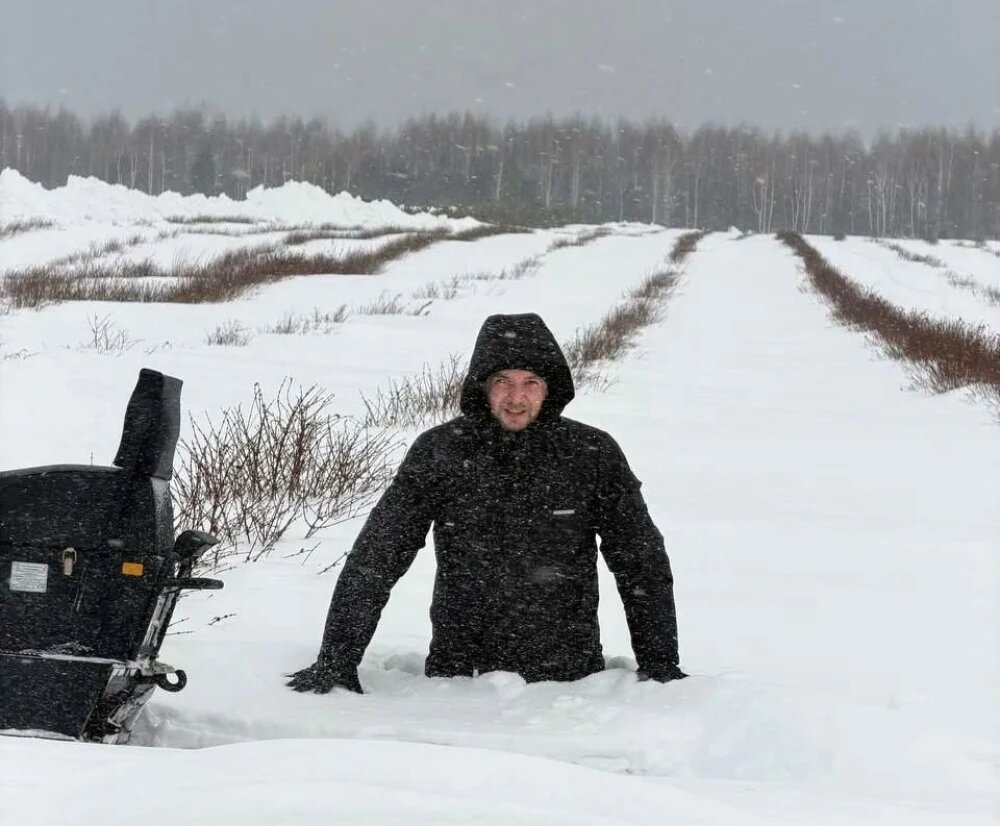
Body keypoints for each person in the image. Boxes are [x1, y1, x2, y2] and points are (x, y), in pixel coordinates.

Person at [287, 313, 684, 694]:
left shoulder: (591, 453)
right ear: (483, 386)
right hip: (459, 678)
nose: (516, 397)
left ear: (550, 388)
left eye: (530, 382)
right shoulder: (441, 451)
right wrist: (337, 658)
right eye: (502, 381)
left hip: (569, 684)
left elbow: (641, 562)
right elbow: (378, 554)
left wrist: (660, 661)